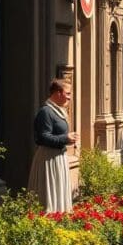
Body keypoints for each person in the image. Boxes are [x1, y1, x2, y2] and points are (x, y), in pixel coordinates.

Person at [28, 79, 78, 212]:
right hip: (48, 159)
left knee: (58, 191)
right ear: (58, 93)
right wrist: (65, 138)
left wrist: (66, 139)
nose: (69, 97)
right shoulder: (46, 112)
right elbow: (42, 137)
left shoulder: (57, 111)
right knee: (49, 193)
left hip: (58, 157)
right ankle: (48, 220)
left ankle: (58, 219)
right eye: (67, 93)